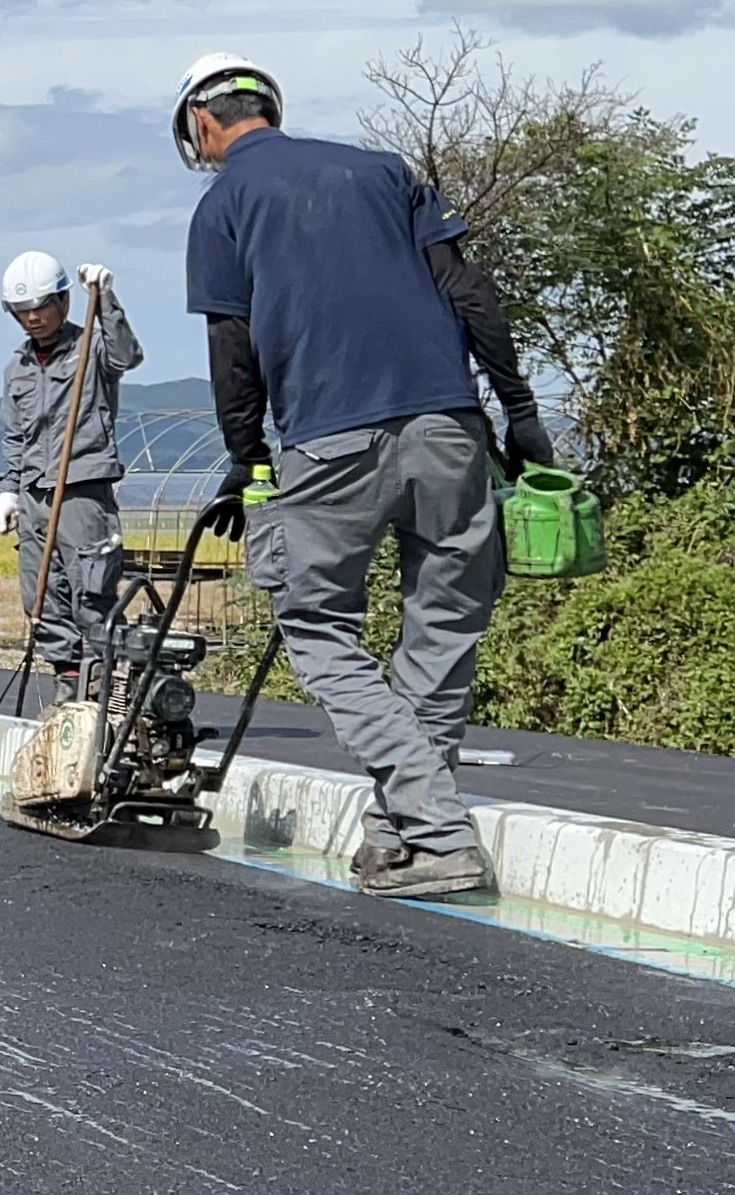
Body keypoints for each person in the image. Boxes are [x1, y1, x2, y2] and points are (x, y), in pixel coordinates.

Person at [174, 53, 554, 900]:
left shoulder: (224, 205)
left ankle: (443, 837)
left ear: (204, 123)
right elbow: (472, 293)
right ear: (268, 104)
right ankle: (397, 839)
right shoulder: (386, 173)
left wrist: (249, 459)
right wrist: (521, 412)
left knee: (317, 629)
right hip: (451, 430)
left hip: (329, 442)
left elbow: (232, 350)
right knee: (443, 633)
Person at [0, 247, 140, 658]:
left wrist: (107, 299)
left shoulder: (91, 349)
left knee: (92, 594)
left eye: (41, 306)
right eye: (22, 310)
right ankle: (67, 688)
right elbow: (15, 436)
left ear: (64, 300)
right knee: (41, 599)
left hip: (82, 488)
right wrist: (9, 490)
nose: (33, 318)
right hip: (35, 494)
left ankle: (104, 688)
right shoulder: (16, 368)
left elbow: (127, 356)